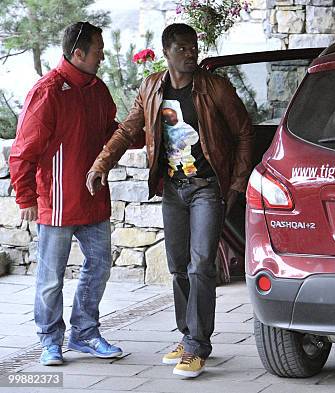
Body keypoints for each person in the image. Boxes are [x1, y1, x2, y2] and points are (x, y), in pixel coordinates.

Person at [86, 23, 253, 378]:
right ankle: (187, 334)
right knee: (178, 266)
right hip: (174, 190)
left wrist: (237, 185)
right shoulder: (151, 87)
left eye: (194, 46)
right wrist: (102, 162)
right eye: (182, 48)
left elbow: (243, 132)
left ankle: (197, 346)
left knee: (200, 265)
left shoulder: (214, 88)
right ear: (166, 52)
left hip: (208, 187)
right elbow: (129, 129)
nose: (191, 53)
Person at [9, 22, 123, 366]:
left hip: (94, 199)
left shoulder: (98, 89)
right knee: (50, 278)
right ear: (78, 53)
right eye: (98, 51)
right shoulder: (47, 91)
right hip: (56, 203)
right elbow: (23, 150)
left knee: (100, 267)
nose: (102, 56)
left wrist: (149, 132)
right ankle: (50, 341)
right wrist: (26, 196)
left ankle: (85, 333)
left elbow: (112, 131)